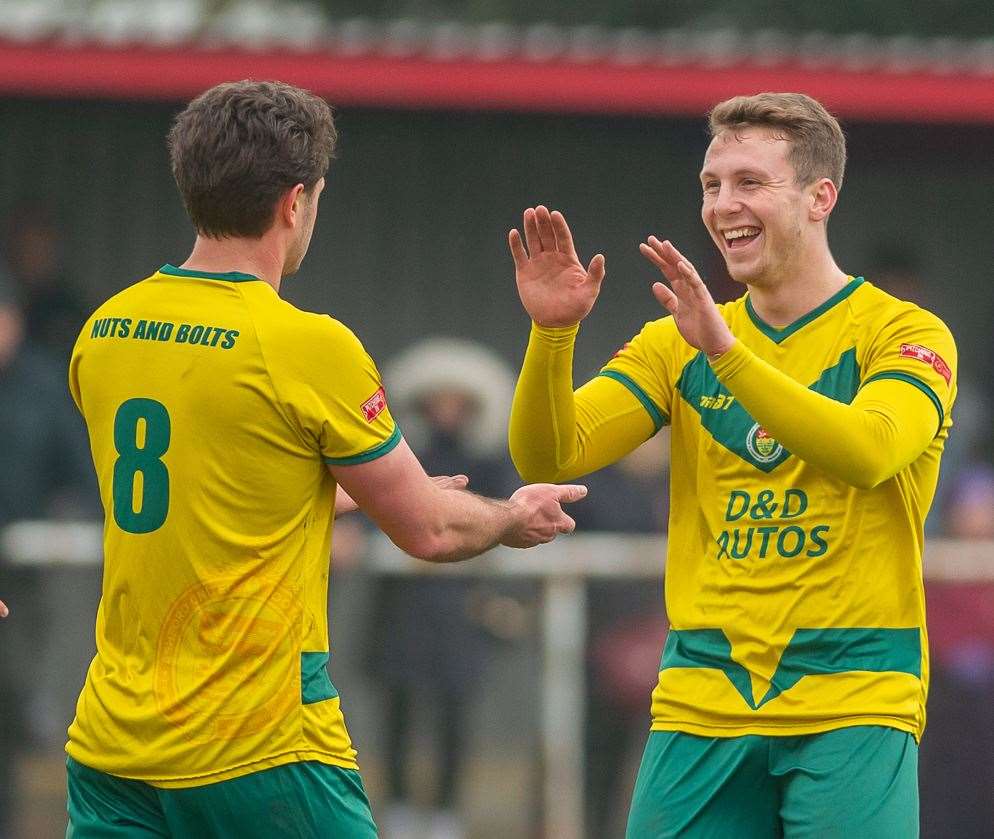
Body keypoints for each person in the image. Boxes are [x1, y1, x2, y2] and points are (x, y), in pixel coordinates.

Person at [64, 80, 585, 838]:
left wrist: (329, 497)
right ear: (295, 202)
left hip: (112, 751)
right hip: (260, 745)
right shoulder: (307, 345)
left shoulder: (105, 329)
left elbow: (198, 481)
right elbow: (430, 531)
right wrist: (509, 514)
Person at [507, 92, 956, 838]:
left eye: (749, 182)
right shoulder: (677, 340)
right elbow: (554, 453)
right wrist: (552, 337)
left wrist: (727, 355)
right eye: (712, 185)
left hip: (855, 689)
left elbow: (870, 450)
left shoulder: (903, 331)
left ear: (820, 197)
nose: (723, 205)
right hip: (704, 691)